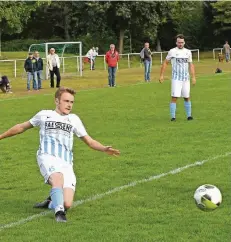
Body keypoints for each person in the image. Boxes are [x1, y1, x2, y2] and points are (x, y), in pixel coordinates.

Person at [0, 87, 120, 222]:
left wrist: (104, 148)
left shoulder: (74, 119)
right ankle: (59, 214)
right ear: (57, 101)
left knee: (67, 203)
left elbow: (89, 141)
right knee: (57, 179)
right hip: (47, 157)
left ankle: (52, 201)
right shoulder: (44, 115)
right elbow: (21, 127)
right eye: (66, 101)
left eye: (72, 102)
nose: (69, 105)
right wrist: (1, 136)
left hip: (66, 162)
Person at [159, 34, 196, 121]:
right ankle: (173, 117)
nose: (180, 44)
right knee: (174, 97)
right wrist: (161, 75)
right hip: (176, 78)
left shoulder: (188, 52)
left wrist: (193, 77)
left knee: (187, 97)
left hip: (186, 79)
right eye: (179, 42)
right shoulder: (172, 51)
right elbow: (165, 63)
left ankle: (189, 116)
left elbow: (191, 65)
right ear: (176, 42)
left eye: (182, 42)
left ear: (184, 42)